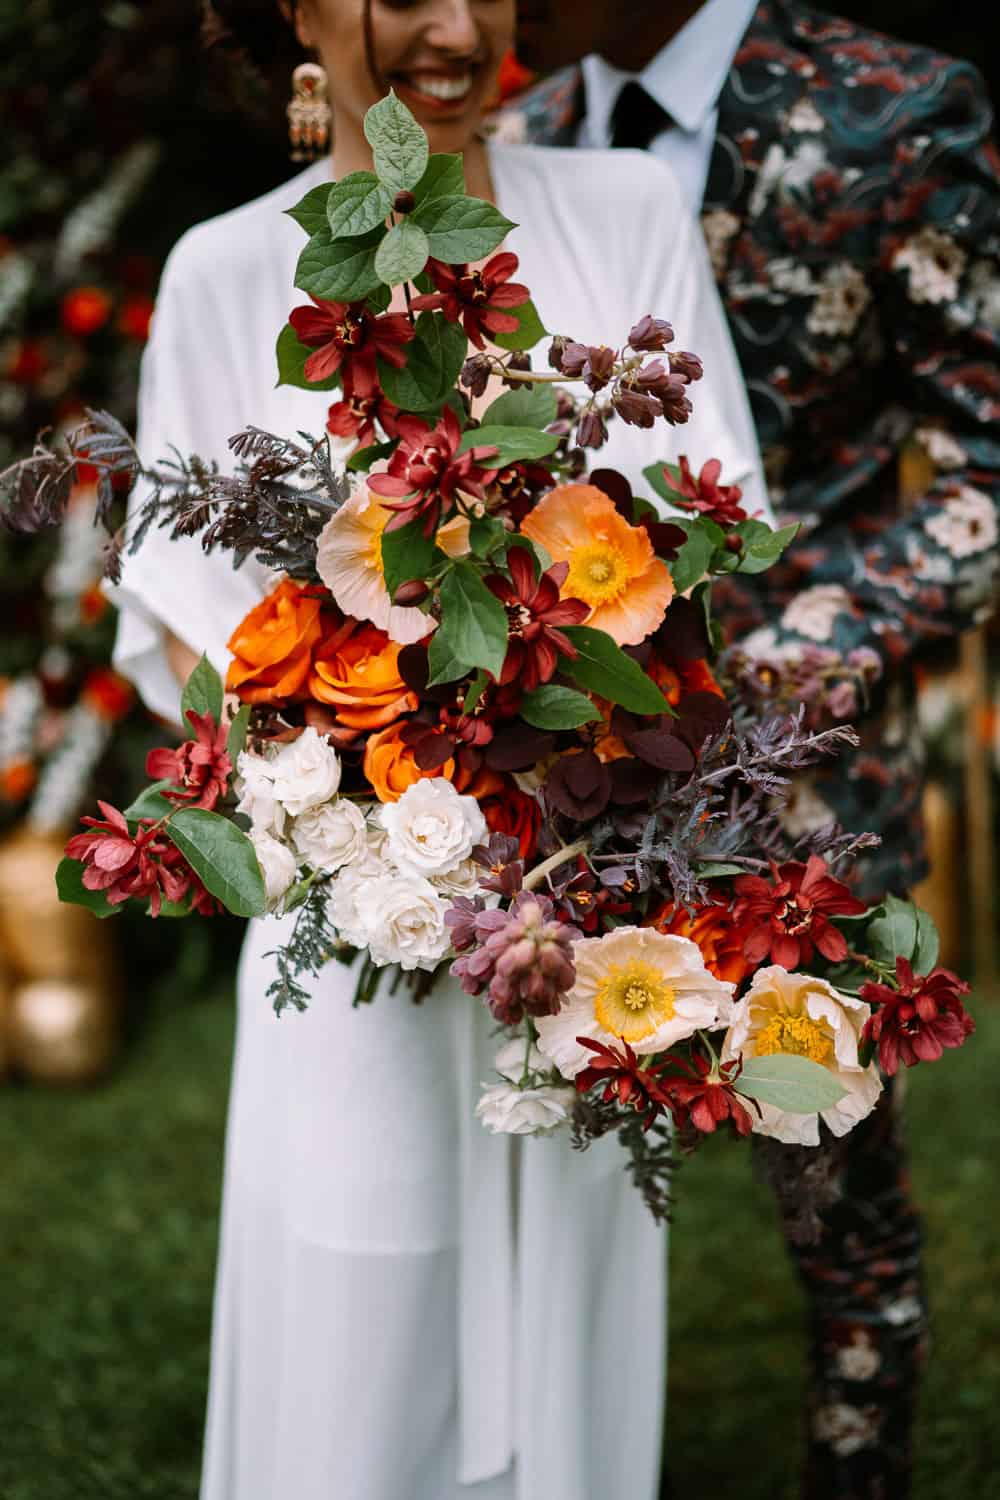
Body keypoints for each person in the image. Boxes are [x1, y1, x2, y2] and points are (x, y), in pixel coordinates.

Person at [107, 2, 769, 1497]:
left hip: (594, 899)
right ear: (301, 7)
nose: (453, 28)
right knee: (369, 1274)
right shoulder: (226, 271)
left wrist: (580, 757)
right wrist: (397, 803)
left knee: (575, 1278)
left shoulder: (628, 211)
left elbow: (709, 533)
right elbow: (206, 647)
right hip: (366, 917)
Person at [503, 1, 1000, 1496]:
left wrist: (832, 636)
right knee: (531, 1166)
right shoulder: (519, 136)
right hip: (554, 782)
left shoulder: (893, 110)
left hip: (800, 802)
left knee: (831, 1190)